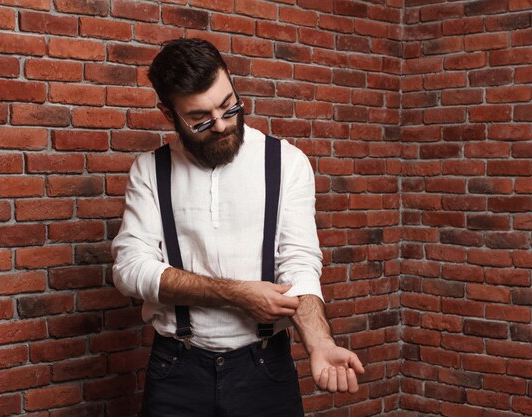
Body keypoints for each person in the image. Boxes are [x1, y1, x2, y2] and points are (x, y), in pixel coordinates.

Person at [111, 38, 364, 417]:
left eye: (229, 106)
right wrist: (237, 293)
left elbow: (298, 264)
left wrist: (319, 342)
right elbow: (130, 271)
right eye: (201, 119)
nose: (222, 125)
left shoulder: (287, 163)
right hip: (176, 370)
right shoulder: (150, 170)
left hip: (264, 370)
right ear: (169, 114)